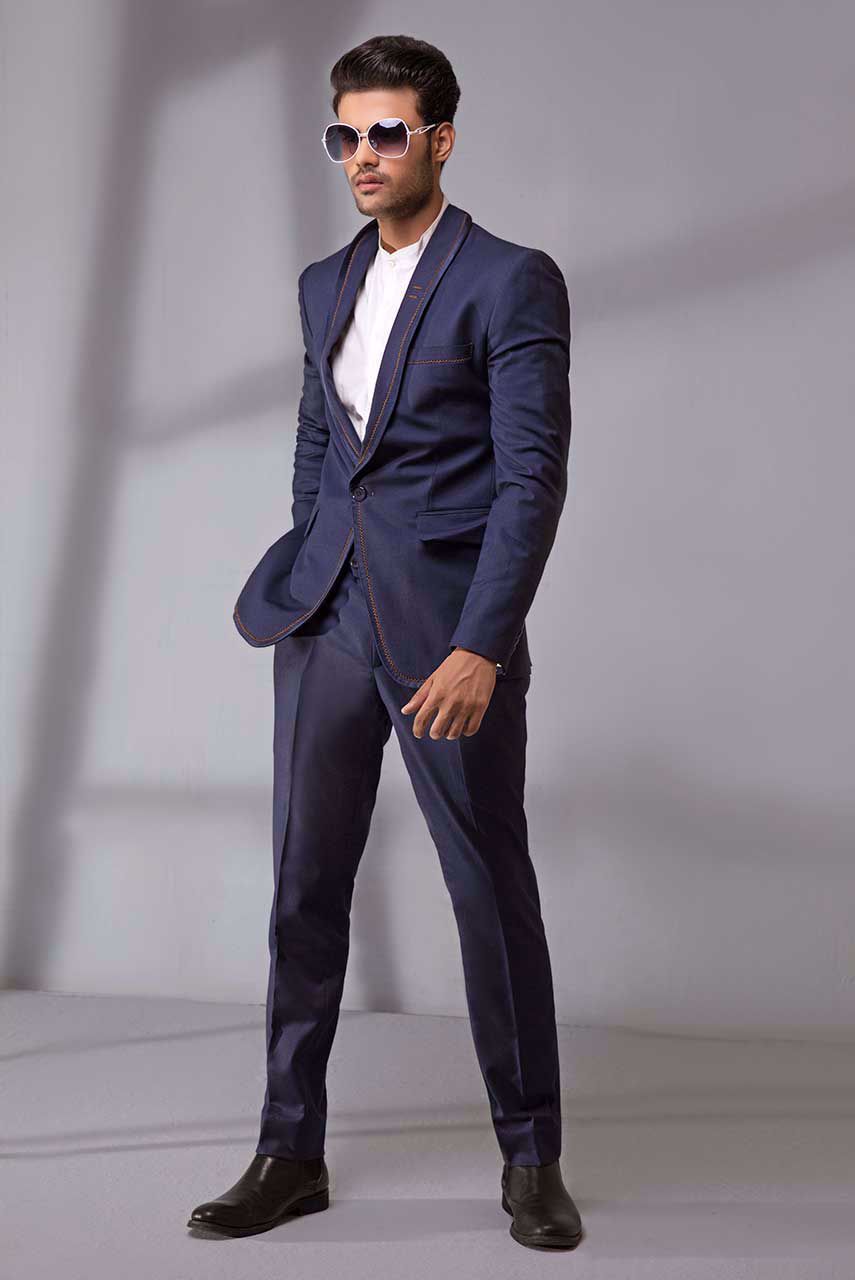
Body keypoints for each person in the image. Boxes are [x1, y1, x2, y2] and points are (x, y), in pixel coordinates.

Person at [188, 33, 582, 1252]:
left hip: (446, 635)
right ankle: (288, 1149)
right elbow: (321, 441)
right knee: (304, 887)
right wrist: (312, 559)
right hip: (325, 622)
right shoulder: (324, 282)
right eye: (345, 135)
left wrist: (483, 643)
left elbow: (530, 480)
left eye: (387, 133)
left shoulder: (511, 280)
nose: (363, 156)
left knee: (488, 890)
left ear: (439, 140)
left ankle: (532, 1158)